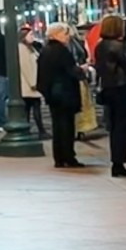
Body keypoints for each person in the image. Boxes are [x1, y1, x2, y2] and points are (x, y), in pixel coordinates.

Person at [92, 13, 126, 178]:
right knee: (122, 127)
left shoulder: (100, 46)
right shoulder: (119, 46)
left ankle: (116, 162)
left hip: (107, 87)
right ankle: (119, 163)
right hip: (121, 87)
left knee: (113, 126)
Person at [36, 24, 86, 167]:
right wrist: (82, 70)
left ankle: (59, 157)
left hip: (53, 95)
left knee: (57, 126)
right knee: (67, 127)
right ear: (56, 34)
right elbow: (70, 70)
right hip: (65, 93)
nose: (68, 36)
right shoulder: (61, 51)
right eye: (65, 33)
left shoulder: (45, 51)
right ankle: (68, 156)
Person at [17, 22, 45, 138]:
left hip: (30, 84)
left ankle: (33, 129)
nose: (32, 37)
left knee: (30, 108)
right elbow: (26, 67)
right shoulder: (22, 49)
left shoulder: (30, 48)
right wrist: (34, 83)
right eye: (30, 35)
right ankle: (40, 130)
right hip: (29, 85)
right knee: (34, 108)